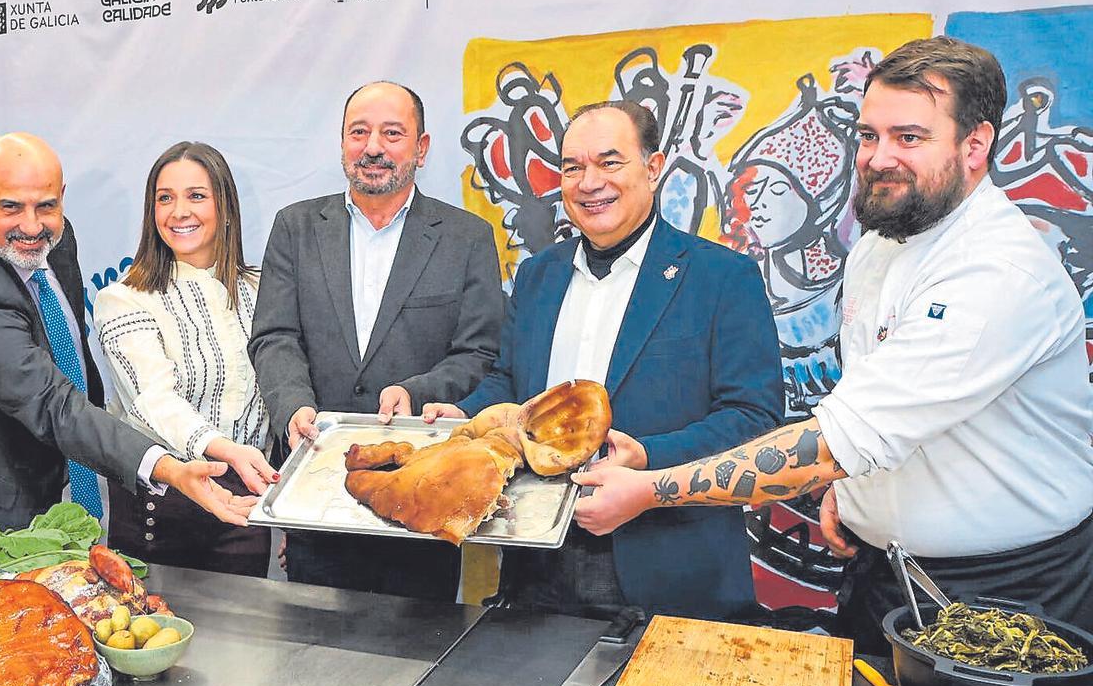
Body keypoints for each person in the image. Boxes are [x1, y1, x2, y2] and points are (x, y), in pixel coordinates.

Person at [572, 38, 1093, 651]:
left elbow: (834, 444)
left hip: (1005, 587)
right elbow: (879, 404)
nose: (878, 158)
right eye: (869, 136)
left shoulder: (997, 272)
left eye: (909, 138)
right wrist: (858, 495)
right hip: (885, 569)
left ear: (975, 145)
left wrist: (650, 489)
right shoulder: (885, 237)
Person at [424, 100, 785, 619]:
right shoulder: (537, 276)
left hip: (667, 561)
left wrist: (646, 458)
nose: (589, 182)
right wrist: (465, 414)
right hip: (537, 555)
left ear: (654, 168)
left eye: (610, 162)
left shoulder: (722, 278)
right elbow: (510, 385)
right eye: (573, 167)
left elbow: (754, 420)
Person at [0, 133, 253, 532]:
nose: (32, 226)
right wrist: (169, 468)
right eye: (11, 207)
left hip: (54, 483)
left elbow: (71, 362)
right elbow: (53, 403)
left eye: (46, 205)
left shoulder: (58, 239)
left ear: (61, 196)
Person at [249, 81, 503, 600]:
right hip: (317, 484)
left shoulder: (466, 237)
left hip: (423, 493)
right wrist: (292, 404)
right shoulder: (295, 228)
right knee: (311, 655)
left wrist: (419, 390)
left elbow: (481, 352)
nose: (373, 148)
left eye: (392, 133)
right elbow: (275, 335)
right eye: (359, 132)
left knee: (421, 655)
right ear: (342, 142)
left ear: (422, 147)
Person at [93, 142, 276, 576]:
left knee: (248, 641)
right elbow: (154, 401)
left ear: (226, 206)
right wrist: (226, 450)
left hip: (247, 505)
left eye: (197, 195)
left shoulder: (263, 289)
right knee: (154, 638)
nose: (179, 212)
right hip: (161, 505)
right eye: (165, 198)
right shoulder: (121, 299)